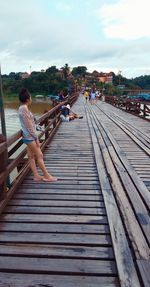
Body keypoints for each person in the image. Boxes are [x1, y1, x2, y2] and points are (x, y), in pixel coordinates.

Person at [18, 88, 57, 182]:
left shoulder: (23, 108)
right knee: (39, 155)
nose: (31, 99)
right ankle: (47, 176)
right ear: (28, 99)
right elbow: (29, 127)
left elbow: (30, 123)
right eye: (30, 97)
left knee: (31, 156)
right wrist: (36, 139)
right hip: (30, 137)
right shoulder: (24, 109)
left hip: (27, 136)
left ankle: (36, 176)